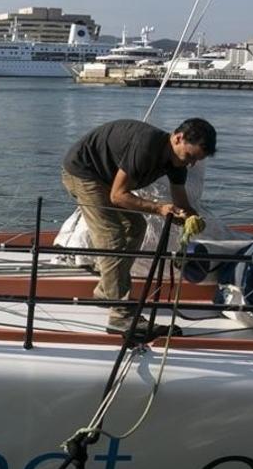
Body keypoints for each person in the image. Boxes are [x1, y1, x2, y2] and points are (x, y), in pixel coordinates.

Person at [61, 118, 217, 338]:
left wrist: (190, 217)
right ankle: (120, 317)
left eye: (196, 161)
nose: (190, 164)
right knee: (112, 236)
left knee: (135, 227)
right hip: (84, 172)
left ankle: (107, 292)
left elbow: (181, 202)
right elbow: (117, 196)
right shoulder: (147, 147)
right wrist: (160, 209)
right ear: (178, 138)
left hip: (107, 177)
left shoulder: (177, 161)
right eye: (190, 157)